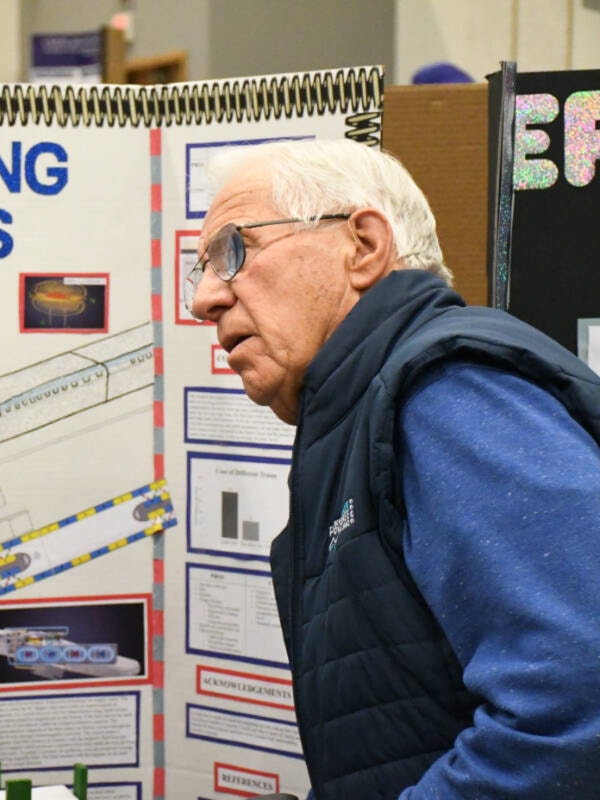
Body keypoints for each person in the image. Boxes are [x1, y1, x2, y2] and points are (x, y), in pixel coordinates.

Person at [186, 139, 600, 799]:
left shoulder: (449, 392)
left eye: (234, 251)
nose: (204, 299)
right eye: (201, 268)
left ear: (363, 247)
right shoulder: (364, 413)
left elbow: (577, 701)